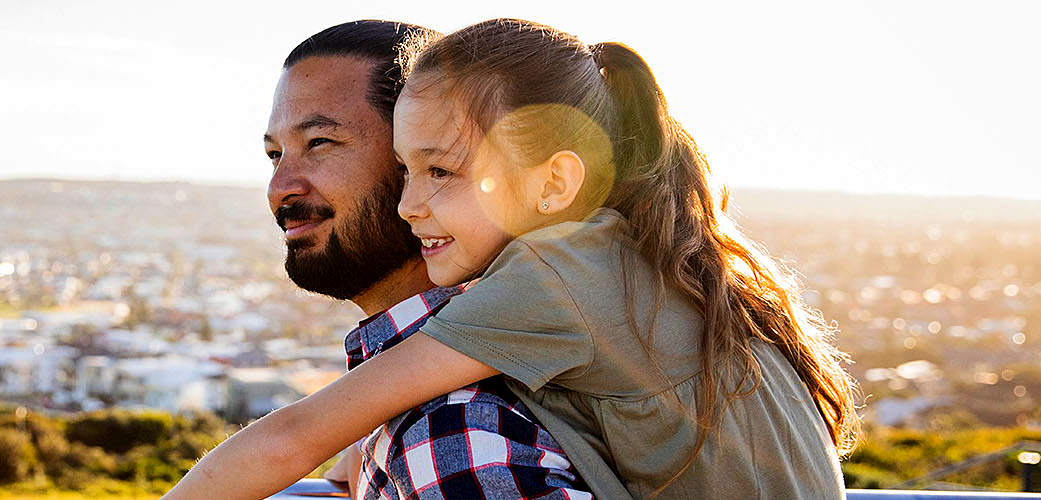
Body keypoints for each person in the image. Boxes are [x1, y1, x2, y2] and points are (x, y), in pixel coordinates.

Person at [172, 18, 864, 499]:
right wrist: (361, 448)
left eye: (440, 170)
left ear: (555, 180)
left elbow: (292, 437)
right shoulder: (637, 260)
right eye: (409, 170)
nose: (413, 205)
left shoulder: (542, 294)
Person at [163, 20, 590, 500]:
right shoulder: (414, 402)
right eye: (275, 153)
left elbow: (290, 442)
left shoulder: (449, 431)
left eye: (319, 142)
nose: (279, 187)